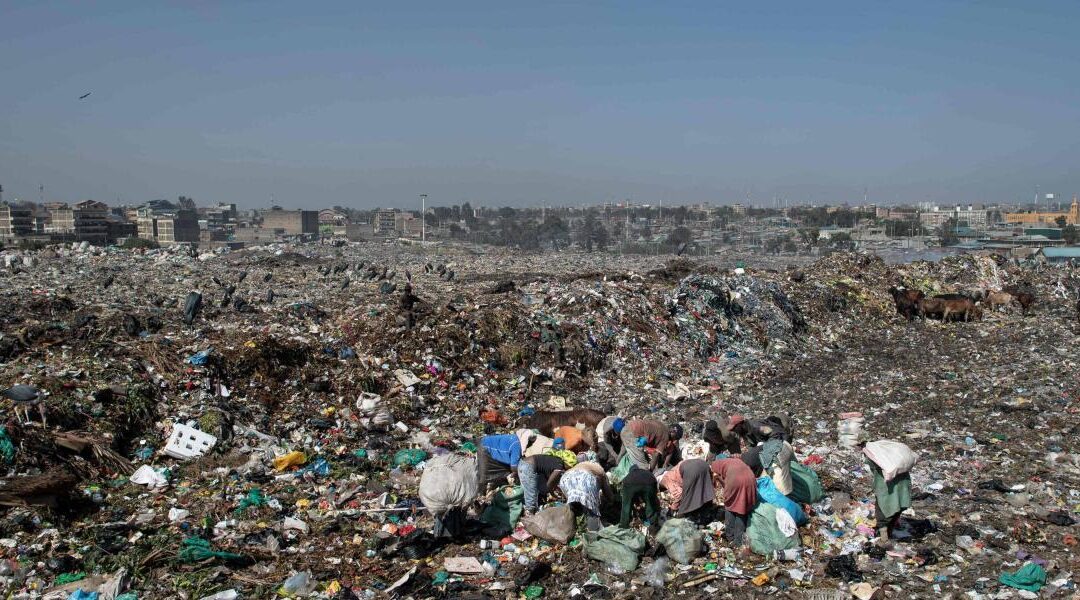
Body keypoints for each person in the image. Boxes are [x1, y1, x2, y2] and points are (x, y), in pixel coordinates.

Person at [710, 457, 757, 545]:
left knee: (729, 506)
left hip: (736, 480)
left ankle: (730, 536)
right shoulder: (731, 462)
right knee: (742, 508)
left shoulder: (715, 467)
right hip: (751, 479)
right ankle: (738, 540)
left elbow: (726, 483)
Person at [558, 461, 609, 531]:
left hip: (565, 479)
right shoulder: (600, 470)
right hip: (584, 480)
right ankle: (593, 534)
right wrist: (611, 499)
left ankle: (569, 529)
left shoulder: (580, 465)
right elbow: (607, 490)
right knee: (591, 511)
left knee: (573, 506)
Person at [476, 430, 530, 495]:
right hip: (485, 448)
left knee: (501, 471)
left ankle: (493, 485)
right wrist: (518, 475)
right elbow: (514, 468)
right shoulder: (516, 445)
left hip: (486, 443)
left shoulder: (514, 437)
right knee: (485, 473)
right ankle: (481, 493)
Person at [619, 466, 661, 531]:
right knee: (650, 504)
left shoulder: (628, 476)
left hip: (629, 484)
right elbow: (654, 494)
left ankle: (624, 526)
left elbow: (628, 497)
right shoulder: (647, 473)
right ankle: (652, 525)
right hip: (649, 482)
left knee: (626, 506)